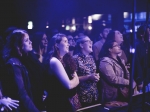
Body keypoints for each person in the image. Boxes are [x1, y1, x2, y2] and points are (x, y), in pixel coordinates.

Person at [1, 29, 39, 112]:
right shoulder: (14, 64)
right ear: (18, 45)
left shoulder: (19, 61)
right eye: (26, 40)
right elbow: (22, 94)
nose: (30, 42)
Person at [45, 33, 79, 112]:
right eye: (65, 41)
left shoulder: (66, 59)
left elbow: (77, 81)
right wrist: (75, 79)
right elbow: (69, 85)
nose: (68, 44)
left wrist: (75, 80)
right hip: (59, 103)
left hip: (67, 102)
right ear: (57, 45)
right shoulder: (54, 61)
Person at [73, 35, 100, 107]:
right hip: (83, 96)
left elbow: (92, 72)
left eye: (91, 41)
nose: (91, 43)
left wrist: (96, 76)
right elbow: (72, 79)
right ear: (81, 45)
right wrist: (88, 77)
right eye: (88, 41)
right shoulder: (75, 59)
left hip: (94, 94)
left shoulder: (91, 57)